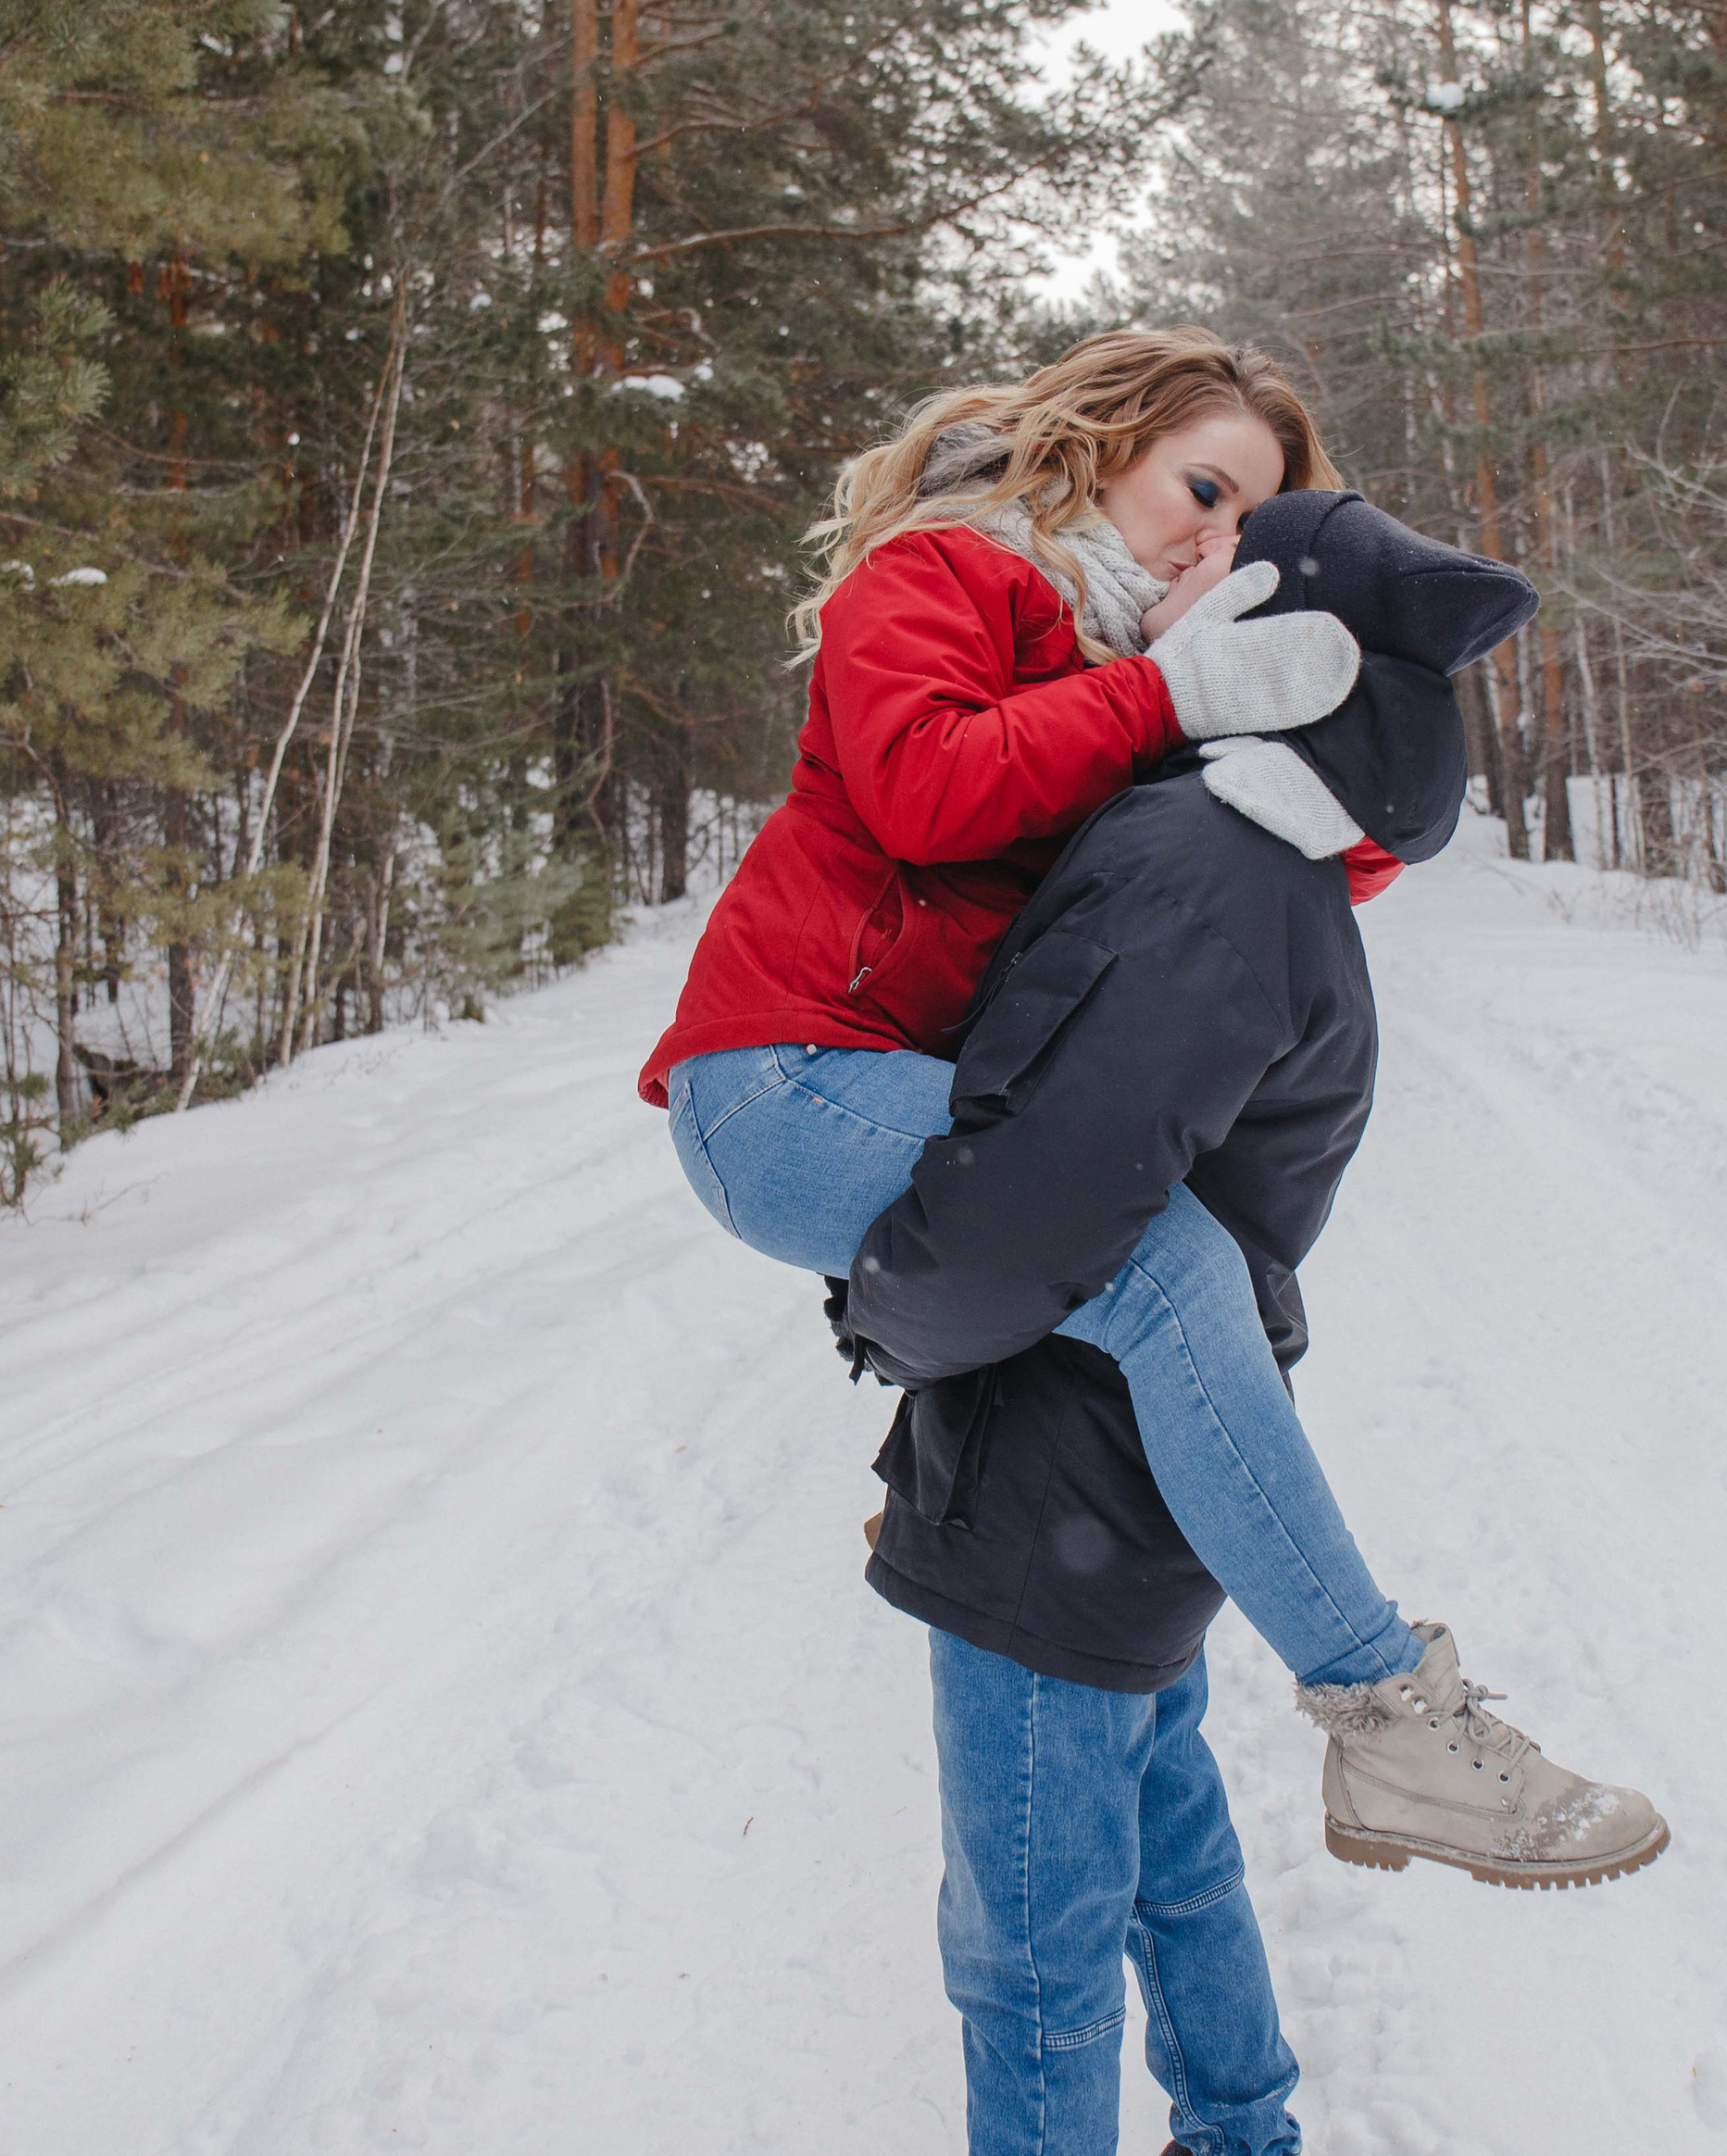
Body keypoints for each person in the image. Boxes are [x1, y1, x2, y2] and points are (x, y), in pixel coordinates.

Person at [833, 488, 1669, 2154]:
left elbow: (1047, 1209)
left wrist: (885, 1312)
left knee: (1031, 1955)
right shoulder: (1244, 853)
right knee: (1173, 1852)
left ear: (1279, 629)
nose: (1169, 566)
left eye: (1216, 551)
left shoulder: (1193, 865)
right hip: (1131, 1479)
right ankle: (1245, 2132)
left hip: (1054, 1487)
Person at [643, 325, 1529, 1741]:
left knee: (1132, 1274)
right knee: (1168, 1268)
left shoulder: (1141, 666)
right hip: (780, 1080)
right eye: (1202, 489)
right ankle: (1378, 1701)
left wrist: (1343, 760)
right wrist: (1173, 694)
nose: (1220, 535)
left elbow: (1303, 868)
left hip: (914, 1078)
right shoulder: (944, 572)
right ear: (1102, 452)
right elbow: (932, 789)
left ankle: (992, 1541)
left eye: (1252, 515)